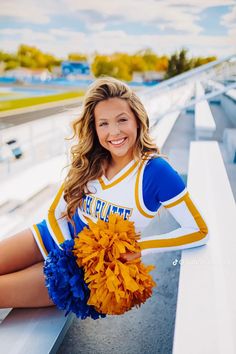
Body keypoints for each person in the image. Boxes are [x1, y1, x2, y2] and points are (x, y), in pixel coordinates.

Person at [0, 77, 209, 309]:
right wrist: (66, 251)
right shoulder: (92, 160)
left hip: (81, 273)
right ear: (95, 128)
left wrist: (141, 248)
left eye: (122, 120)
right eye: (104, 124)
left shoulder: (156, 171)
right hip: (51, 238)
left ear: (138, 121)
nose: (114, 132)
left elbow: (199, 230)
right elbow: (55, 212)